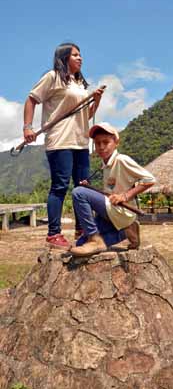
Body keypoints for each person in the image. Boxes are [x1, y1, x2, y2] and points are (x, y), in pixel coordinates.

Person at [23, 42, 105, 249]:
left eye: (81, 55)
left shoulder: (79, 84)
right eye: (75, 55)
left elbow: (85, 116)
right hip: (60, 140)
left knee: (82, 187)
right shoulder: (53, 77)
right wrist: (27, 127)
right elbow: (32, 99)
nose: (80, 58)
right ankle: (53, 234)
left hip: (80, 141)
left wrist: (95, 101)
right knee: (60, 186)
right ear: (64, 58)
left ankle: (83, 229)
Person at [70, 123, 155, 256]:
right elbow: (109, 191)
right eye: (97, 143)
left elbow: (149, 180)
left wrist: (125, 196)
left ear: (116, 142)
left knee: (78, 193)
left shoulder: (121, 160)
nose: (101, 147)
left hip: (122, 210)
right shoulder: (105, 164)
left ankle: (95, 239)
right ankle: (126, 231)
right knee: (80, 244)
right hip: (112, 211)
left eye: (106, 142)